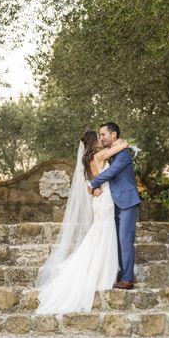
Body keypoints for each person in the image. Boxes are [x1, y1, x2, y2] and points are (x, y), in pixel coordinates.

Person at [35, 130, 129, 314]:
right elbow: (124, 146)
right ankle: (103, 274)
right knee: (105, 232)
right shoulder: (100, 154)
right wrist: (122, 141)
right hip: (106, 198)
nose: (102, 139)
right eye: (99, 137)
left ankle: (101, 270)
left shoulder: (86, 161)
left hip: (98, 200)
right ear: (94, 142)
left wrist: (92, 189)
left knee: (100, 232)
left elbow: (89, 184)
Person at [88, 122, 141, 290]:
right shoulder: (111, 153)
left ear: (114, 135)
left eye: (103, 134)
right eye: (100, 135)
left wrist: (92, 184)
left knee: (125, 239)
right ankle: (120, 272)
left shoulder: (124, 154)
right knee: (117, 239)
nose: (101, 137)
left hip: (127, 201)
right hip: (113, 202)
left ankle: (128, 278)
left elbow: (111, 172)